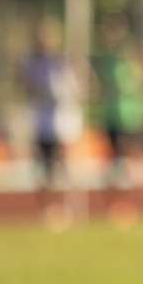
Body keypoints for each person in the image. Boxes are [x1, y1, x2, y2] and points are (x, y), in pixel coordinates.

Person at [21, 18, 83, 215]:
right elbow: (25, 87)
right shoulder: (31, 62)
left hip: (65, 120)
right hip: (43, 119)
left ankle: (71, 205)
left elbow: (81, 86)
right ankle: (48, 207)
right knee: (45, 166)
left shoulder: (63, 61)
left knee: (67, 163)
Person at [93, 12, 143, 200]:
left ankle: (137, 193)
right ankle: (118, 198)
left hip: (132, 114)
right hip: (112, 114)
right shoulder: (105, 58)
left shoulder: (134, 55)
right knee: (114, 158)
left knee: (132, 153)